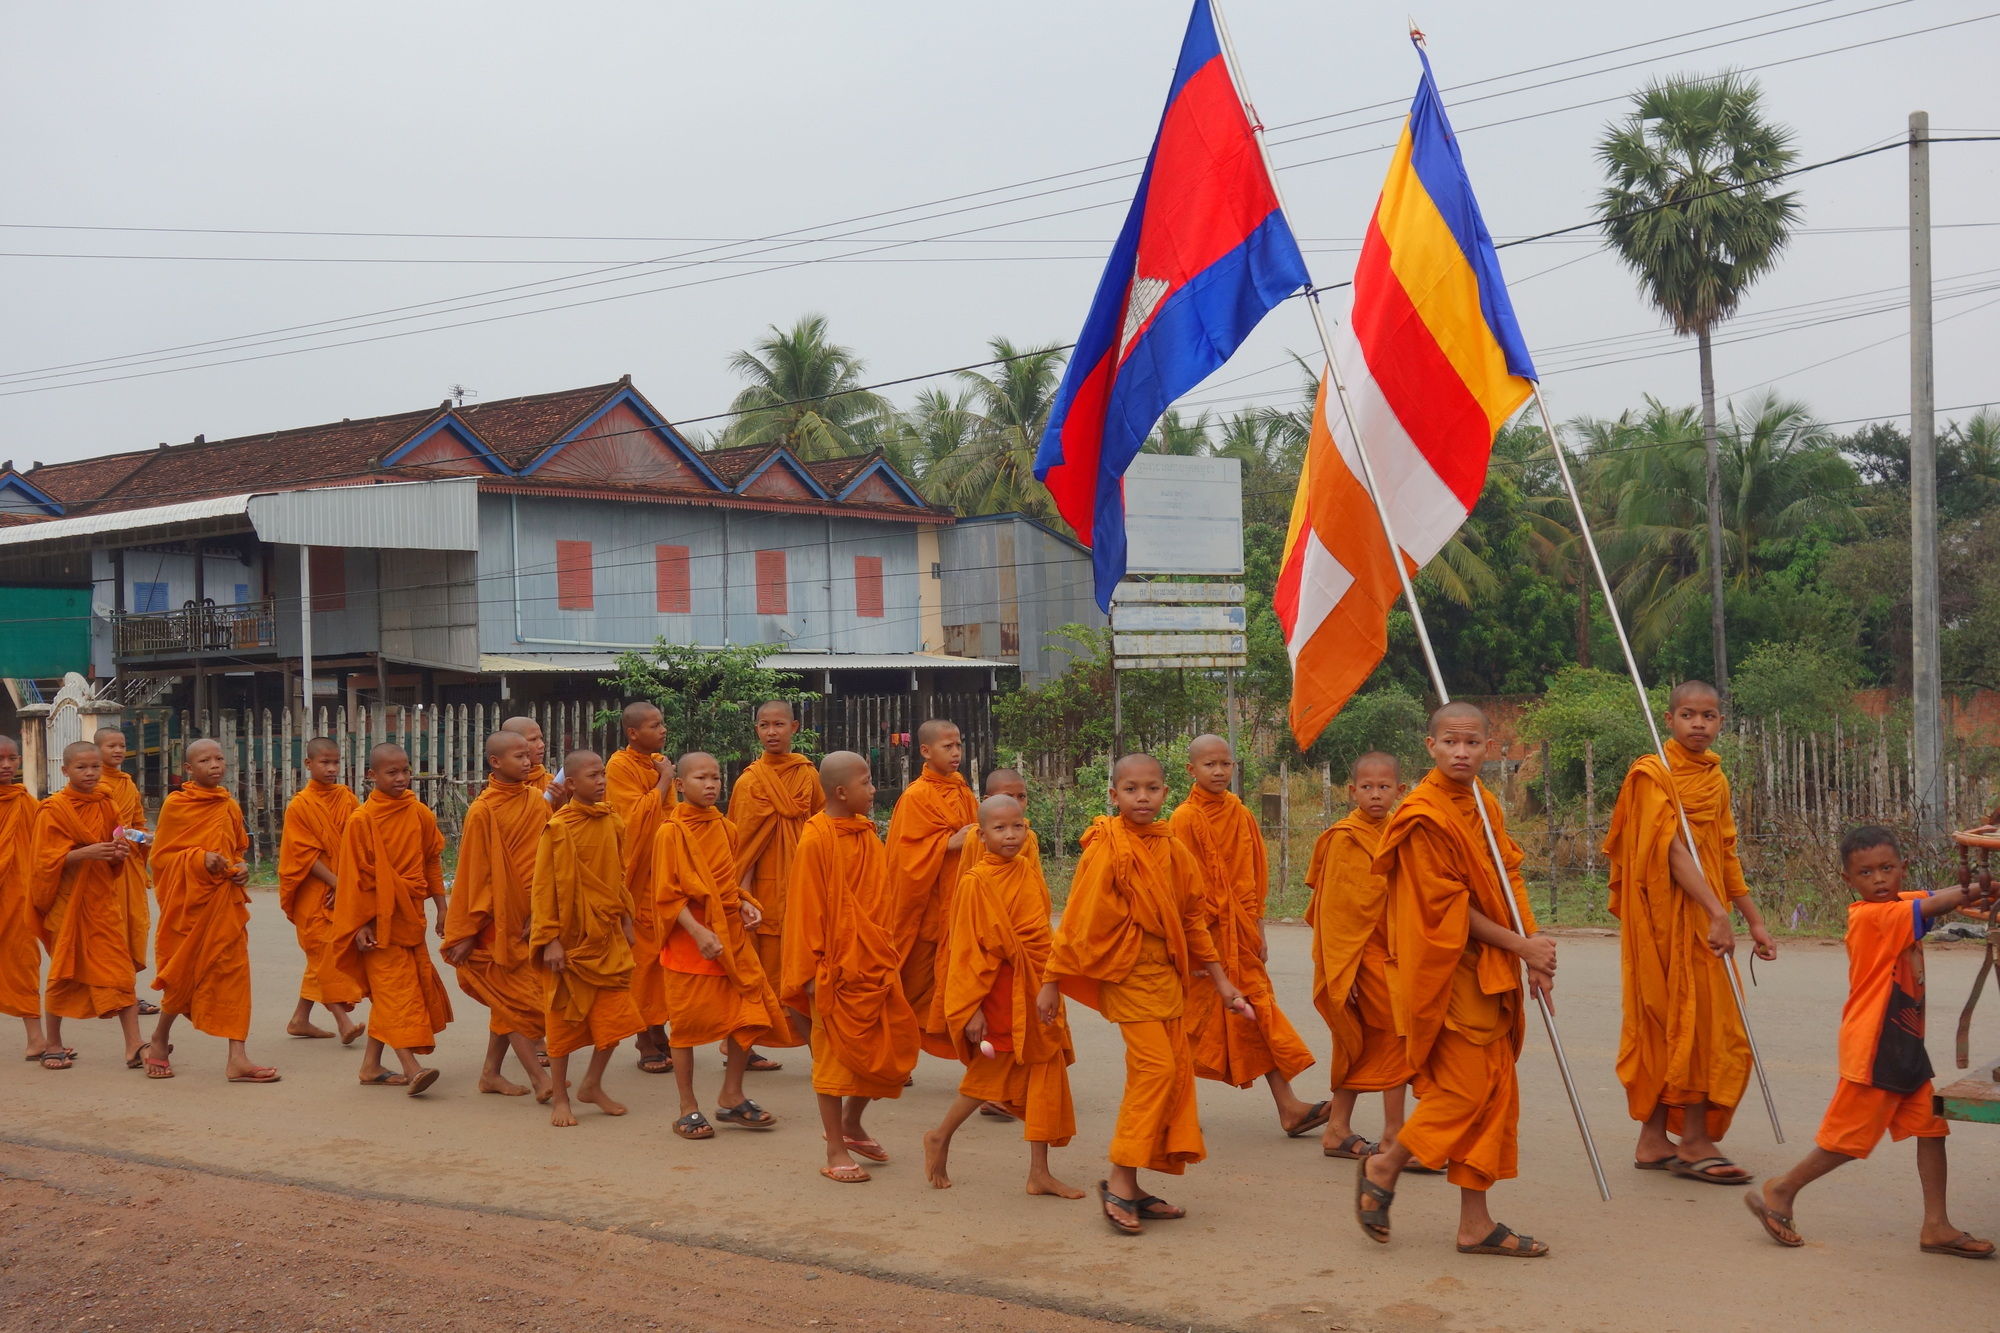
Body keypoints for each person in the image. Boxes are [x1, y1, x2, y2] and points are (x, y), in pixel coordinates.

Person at [1356, 702, 1553, 1258]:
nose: (1461, 752)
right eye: (1450, 742)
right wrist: (1519, 945)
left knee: (1493, 1093)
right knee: (1466, 1091)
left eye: (1471, 743)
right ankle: (1386, 1164)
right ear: (1431, 747)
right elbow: (1448, 909)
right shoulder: (1422, 815)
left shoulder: (1484, 803)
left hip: (1492, 964)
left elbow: (1507, 876)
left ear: (1489, 748)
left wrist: (1535, 950)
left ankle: (1475, 1224)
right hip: (1447, 969)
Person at [1745, 826, 1994, 1258]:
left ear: (1903, 868)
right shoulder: (1871, 917)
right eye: (1865, 873)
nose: (1878, 879)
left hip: (1903, 1043)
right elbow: (1942, 901)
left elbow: (1944, 894)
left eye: (1886, 868)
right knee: (1847, 1140)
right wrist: (1979, 889)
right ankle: (1782, 1190)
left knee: (1931, 1129)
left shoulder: (1899, 903)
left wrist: (1980, 889)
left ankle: (1936, 1226)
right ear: (1848, 879)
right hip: (1876, 1047)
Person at [1044, 753, 1248, 1236]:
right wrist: (1051, 981)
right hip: (1126, 974)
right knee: (1156, 1070)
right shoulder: (1107, 848)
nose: (1142, 798)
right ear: (1113, 795)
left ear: (1165, 792)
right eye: (1131, 789)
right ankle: (1119, 1177)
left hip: (1168, 978)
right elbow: (1077, 922)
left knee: (1170, 1074)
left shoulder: (1172, 849)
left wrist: (1222, 982)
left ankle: (1132, 1185)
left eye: (1152, 789)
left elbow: (1192, 919)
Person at [1603, 680, 1777, 1184]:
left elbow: (1724, 852)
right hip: (1661, 919)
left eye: (1708, 716)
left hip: (1706, 915)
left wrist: (1754, 918)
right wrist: (1716, 912)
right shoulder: (1651, 774)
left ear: (1721, 721)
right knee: (1669, 1020)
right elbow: (1669, 849)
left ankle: (1659, 1141)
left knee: (1707, 1023)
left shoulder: (1714, 779)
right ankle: (1686, 1140)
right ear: (1669, 719)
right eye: (1688, 715)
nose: (1698, 724)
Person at [923, 793, 1080, 1198]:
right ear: (981, 835)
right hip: (997, 991)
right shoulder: (975, 881)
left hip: (1036, 984)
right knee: (992, 1072)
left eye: (1017, 826)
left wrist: (1051, 983)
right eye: (999, 828)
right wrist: (971, 1008)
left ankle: (1039, 1173)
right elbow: (965, 950)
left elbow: (1040, 931)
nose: (1010, 835)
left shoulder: (1026, 869)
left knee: (1044, 1068)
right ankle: (940, 1135)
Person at [1170, 735, 1327, 1138]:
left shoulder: (1240, 813)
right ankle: (1172, 1109)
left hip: (1239, 936)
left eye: (1226, 764)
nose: (1219, 771)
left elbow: (1254, 873)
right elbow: (1180, 888)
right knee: (1192, 1024)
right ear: (1191, 770)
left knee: (1253, 1015)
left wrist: (1258, 927)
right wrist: (1190, 948)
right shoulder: (1184, 819)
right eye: (1209, 765)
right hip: (1203, 939)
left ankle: (1288, 1107)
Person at [782, 751, 920, 1183]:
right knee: (832, 1062)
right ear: (841, 792)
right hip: (833, 969)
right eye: (867, 782)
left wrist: (886, 954)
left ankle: (852, 1123)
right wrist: (808, 973)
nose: (874, 789)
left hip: (874, 963)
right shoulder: (816, 840)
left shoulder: (866, 835)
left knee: (891, 1050)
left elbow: (880, 902)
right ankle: (835, 1149)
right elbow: (805, 908)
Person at [655, 751, 783, 1140]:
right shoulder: (670, 832)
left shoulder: (726, 828)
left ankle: (731, 1095)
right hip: (689, 943)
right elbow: (667, 895)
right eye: (701, 778)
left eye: (715, 778)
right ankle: (687, 1107)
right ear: (680, 785)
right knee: (685, 1029)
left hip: (729, 938)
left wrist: (744, 903)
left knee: (750, 1016)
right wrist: (698, 932)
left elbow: (725, 886)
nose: (711, 785)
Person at [322, 743, 453, 1096]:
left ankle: (370, 1066)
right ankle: (412, 1067)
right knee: (396, 993)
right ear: (372, 776)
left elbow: (431, 861)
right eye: (391, 772)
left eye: (405, 771)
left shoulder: (419, 813)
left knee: (396, 991)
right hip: (375, 922)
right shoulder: (361, 820)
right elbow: (353, 878)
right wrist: (358, 924)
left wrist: (441, 907)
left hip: (410, 918)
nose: (401, 778)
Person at [144, 738, 277, 1082]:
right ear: (188, 769)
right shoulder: (177, 805)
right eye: (205, 761)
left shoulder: (228, 805)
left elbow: (236, 850)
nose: (214, 765)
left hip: (224, 904)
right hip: (190, 907)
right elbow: (161, 858)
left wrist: (241, 867)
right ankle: (159, 1038)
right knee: (183, 976)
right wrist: (198, 859)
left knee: (235, 978)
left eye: (219, 758)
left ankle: (238, 1058)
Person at [1304, 751, 1415, 1161]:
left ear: (1400, 790)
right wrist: (1341, 972)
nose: (1375, 795)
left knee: (1361, 1042)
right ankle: (1394, 1136)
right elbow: (1333, 915)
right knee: (1394, 1037)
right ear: (1352, 791)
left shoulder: (1402, 832)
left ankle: (1337, 1129)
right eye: (1367, 787)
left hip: (1395, 954)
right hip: (1357, 958)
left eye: (1384, 787)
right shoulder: (1344, 838)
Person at [442, 731, 554, 1102]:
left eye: (528, 755)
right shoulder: (483, 810)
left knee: (509, 1001)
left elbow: (549, 858)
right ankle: (539, 1079)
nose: (528, 761)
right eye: (519, 756)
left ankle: (490, 1073)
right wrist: (468, 932)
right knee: (518, 1001)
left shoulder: (536, 801)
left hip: (532, 914)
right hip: (495, 921)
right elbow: (475, 875)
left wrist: (541, 911)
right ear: (495, 762)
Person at [532, 749, 642, 1128]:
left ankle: (592, 1084)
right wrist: (550, 940)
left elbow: (618, 874)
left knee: (616, 1018)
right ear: (571, 785)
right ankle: (560, 1098)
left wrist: (626, 919)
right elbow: (543, 887)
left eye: (603, 775)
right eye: (592, 776)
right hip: (570, 941)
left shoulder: (612, 820)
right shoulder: (558, 828)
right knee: (562, 1024)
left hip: (606, 935)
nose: (601, 782)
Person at [33, 741, 141, 1071]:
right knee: (63, 972)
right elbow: (43, 861)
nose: (90, 773)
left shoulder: (108, 804)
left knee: (121, 972)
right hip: (67, 902)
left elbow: (117, 842)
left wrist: (118, 853)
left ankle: (134, 1045)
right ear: (65, 770)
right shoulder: (53, 809)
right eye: (82, 767)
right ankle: (53, 1044)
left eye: (95, 767)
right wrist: (85, 853)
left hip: (101, 901)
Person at [728, 699, 821, 1063]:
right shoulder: (750, 781)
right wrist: (743, 896)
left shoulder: (808, 776)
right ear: (756, 730)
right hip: (763, 893)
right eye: (764, 725)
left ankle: (818, 1050)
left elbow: (821, 827)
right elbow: (743, 847)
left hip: (803, 884)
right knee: (759, 972)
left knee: (803, 972)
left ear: (794, 728)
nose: (772, 732)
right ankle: (743, 1046)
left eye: (779, 725)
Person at [886, 718, 979, 1058]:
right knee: (909, 987)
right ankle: (896, 1055)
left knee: (958, 985)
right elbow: (903, 858)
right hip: (925, 912)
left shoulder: (962, 790)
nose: (956, 753)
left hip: (957, 907)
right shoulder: (916, 797)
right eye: (947, 746)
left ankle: (977, 1065)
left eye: (959, 745)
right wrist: (947, 844)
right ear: (925, 751)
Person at [604, 702, 676, 1074]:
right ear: (633, 733)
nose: (663, 729)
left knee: (663, 959)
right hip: (637, 876)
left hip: (663, 871)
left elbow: (669, 816)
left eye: (662, 723)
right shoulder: (619, 766)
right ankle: (644, 1038)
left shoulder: (658, 763)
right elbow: (631, 820)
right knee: (642, 961)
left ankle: (658, 1028)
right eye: (654, 725)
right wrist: (665, 780)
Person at [277, 737, 362, 1042]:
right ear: (309, 764)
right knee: (324, 953)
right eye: (325, 763)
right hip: (314, 891)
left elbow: (357, 842)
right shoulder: (300, 806)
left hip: (343, 886)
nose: (331, 769)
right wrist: (336, 882)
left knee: (322, 957)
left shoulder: (347, 799)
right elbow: (304, 855)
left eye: (336, 762)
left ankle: (300, 1019)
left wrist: (347, 883)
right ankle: (343, 1021)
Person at [93, 727, 156, 1014]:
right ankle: (110, 993)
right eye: (111, 746)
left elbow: (137, 823)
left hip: (128, 866)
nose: (118, 750)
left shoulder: (128, 784)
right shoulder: (95, 784)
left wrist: (144, 837)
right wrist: (138, 836)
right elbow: (111, 828)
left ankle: (126, 989)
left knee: (133, 927)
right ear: (98, 750)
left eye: (122, 745)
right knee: (109, 930)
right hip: (102, 865)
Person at [0, 736, 47, 1060]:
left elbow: (45, 846)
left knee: (23, 963)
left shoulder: (25, 802)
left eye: (12, 758)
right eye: (0, 759)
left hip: (16, 899)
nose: (6, 765)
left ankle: (36, 1040)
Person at [501, 715, 567, 808]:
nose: (542, 745)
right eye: (533, 739)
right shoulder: (499, 788)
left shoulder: (551, 783)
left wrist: (562, 803)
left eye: (541, 738)